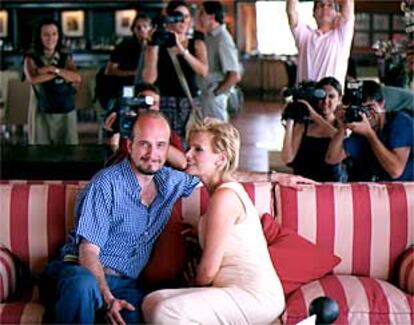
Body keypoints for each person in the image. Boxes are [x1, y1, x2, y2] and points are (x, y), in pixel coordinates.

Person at [40, 111, 313, 324]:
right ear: (129, 145)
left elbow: (219, 174)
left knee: (144, 312)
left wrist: (274, 177)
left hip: (127, 284)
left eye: (161, 145)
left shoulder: (169, 181)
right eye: (144, 144)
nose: (153, 154)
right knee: (83, 286)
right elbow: (88, 253)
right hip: (77, 271)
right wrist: (107, 296)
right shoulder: (106, 184)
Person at [142, 118, 285, 324]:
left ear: (220, 159)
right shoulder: (219, 194)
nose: (188, 155)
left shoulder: (225, 197)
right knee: (151, 302)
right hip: (230, 292)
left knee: (167, 311)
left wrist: (191, 287)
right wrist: (201, 231)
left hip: (254, 296)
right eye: (189, 147)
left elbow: (207, 272)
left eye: (198, 150)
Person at [143, 0, 208, 142]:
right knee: (167, 145)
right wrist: (153, 47)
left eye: (186, 17)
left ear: (190, 19)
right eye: (177, 17)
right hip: (165, 102)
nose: (182, 21)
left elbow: (203, 71)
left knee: (190, 145)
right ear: (169, 19)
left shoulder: (196, 42)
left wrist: (183, 51)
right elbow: (149, 79)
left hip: (189, 103)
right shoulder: (159, 43)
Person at [325, 80, 414, 181]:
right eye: (361, 109)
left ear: (382, 104)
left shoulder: (400, 122)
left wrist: (370, 135)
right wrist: (341, 127)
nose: (366, 115)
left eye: (369, 108)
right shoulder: (362, 130)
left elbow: (395, 171)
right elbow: (331, 159)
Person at [23, 18, 81, 145]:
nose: (51, 38)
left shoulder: (65, 56)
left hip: (64, 108)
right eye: (46, 34)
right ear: (39, 36)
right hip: (41, 110)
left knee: (68, 152)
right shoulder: (30, 58)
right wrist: (61, 73)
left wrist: (52, 69)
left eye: (54, 34)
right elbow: (33, 79)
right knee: (40, 152)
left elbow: (77, 77)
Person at [104, 82, 187, 169]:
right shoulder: (124, 128)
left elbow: (182, 163)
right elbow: (114, 157)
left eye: (154, 103)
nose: (150, 107)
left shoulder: (167, 132)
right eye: (144, 102)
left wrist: (156, 140)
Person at [281, 77, 347, 181]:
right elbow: (287, 158)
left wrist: (315, 116)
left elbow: (341, 140)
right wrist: (290, 118)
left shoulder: (341, 125)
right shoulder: (304, 125)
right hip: (304, 183)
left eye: (331, 97)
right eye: (322, 96)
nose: (325, 101)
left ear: (339, 99)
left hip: (331, 186)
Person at [286, 0, 355, 87]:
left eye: (330, 5)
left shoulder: (341, 35)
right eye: (320, 5)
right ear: (314, 14)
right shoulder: (304, 35)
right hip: (305, 96)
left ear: (337, 14)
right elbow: (291, 12)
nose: (325, 8)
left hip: (330, 96)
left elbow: (348, 2)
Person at [197, 1, 240, 121]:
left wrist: (216, 94)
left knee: (217, 133)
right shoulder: (210, 37)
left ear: (211, 17)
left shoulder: (223, 38)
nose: (199, 16)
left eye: (202, 13)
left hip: (213, 97)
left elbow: (234, 75)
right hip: (205, 95)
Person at [105, 13, 152, 86]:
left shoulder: (155, 47)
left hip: (151, 85)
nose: (142, 30)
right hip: (127, 84)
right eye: (138, 27)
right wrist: (135, 73)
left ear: (151, 29)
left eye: (145, 26)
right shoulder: (123, 46)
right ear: (133, 30)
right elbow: (109, 71)